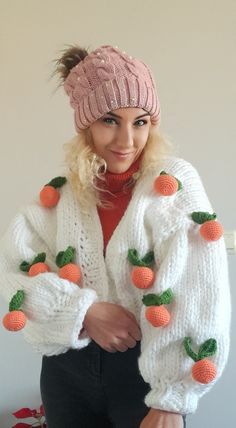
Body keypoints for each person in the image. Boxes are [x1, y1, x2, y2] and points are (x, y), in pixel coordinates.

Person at [0, 44, 231, 428]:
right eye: (110, 120)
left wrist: (173, 399)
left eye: (140, 122)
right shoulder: (60, 195)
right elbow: (12, 278)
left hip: (145, 373)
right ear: (86, 123)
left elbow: (201, 289)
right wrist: (84, 311)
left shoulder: (171, 185)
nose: (126, 139)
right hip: (65, 370)